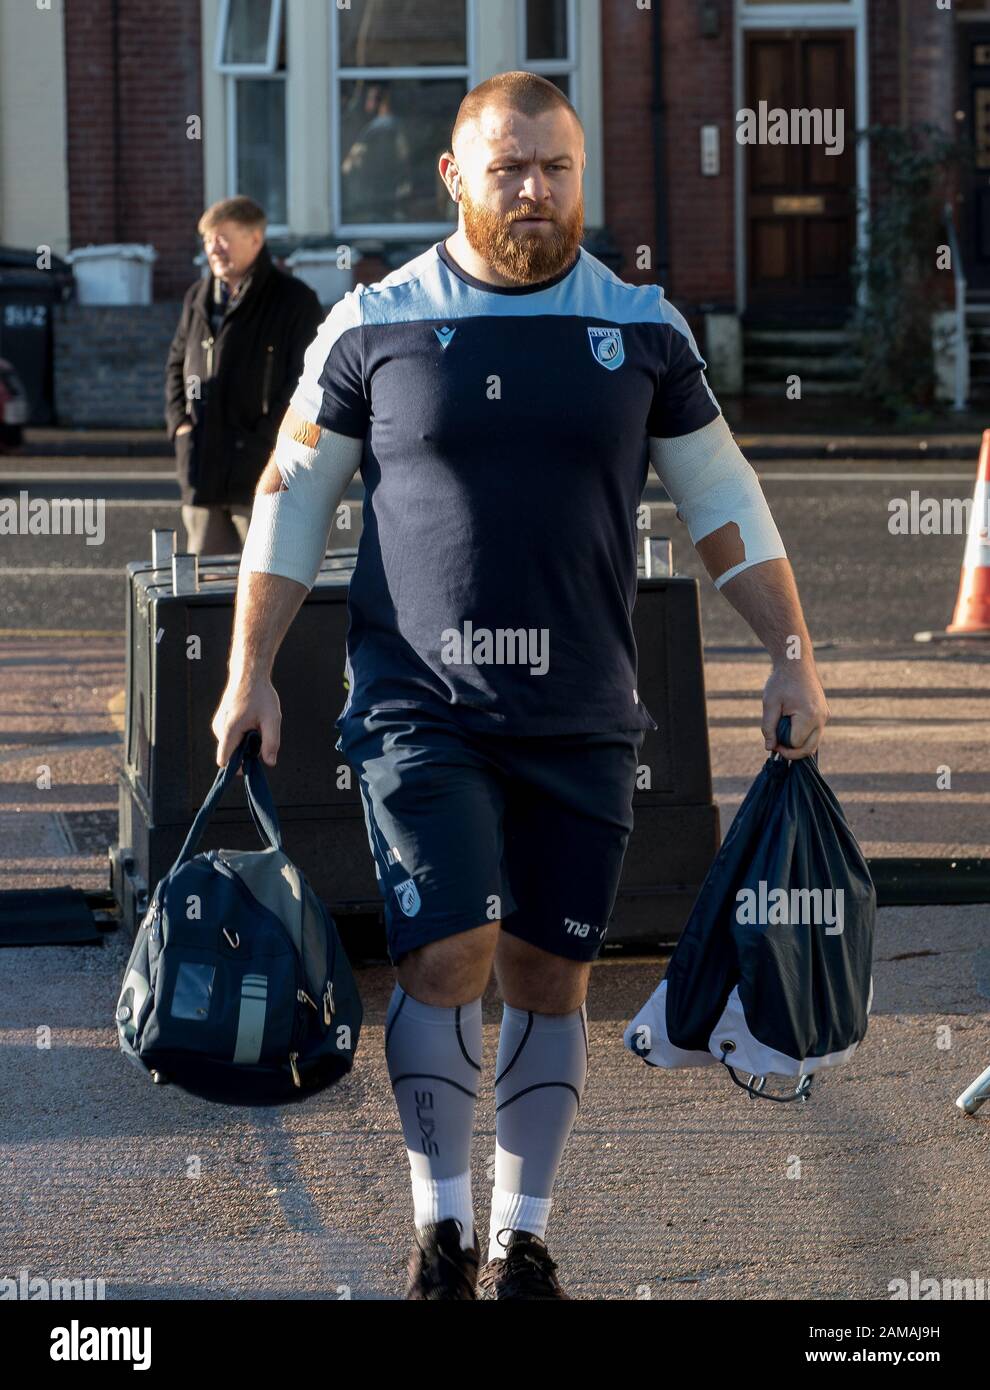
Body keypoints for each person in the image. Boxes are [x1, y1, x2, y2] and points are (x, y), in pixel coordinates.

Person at [212, 71, 830, 1300]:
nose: (536, 191)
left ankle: (519, 1237)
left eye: (556, 168)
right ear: (454, 177)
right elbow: (288, 507)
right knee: (450, 945)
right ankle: (440, 1227)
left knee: (552, 972)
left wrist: (794, 653)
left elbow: (723, 501)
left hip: (585, 711)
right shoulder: (372, 322)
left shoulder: (643, 326)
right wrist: (248, 675)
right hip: (417, 706)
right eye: (510, 169)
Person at [164, 196, 323, 556]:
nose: (212, 248)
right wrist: (179, 424)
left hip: (262, 469)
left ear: (255, 239)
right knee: (206, 589)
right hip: (202, 468)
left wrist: (267, 436)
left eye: (222, 237)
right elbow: (176, 364)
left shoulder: (294, 301)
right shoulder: (198, 297)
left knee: (268, 577)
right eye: (207, 240)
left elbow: (308, 382)